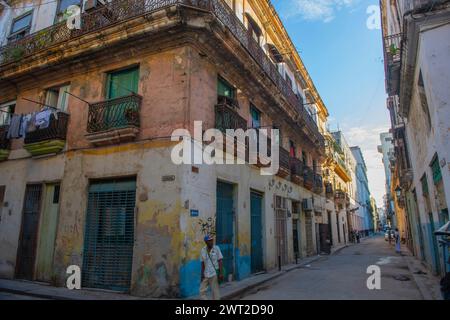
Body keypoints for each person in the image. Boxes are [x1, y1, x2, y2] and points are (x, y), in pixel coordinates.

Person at [200, 234, 223, 300]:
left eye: (212, 240)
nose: (211, 242)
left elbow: (220, 260)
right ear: (206, 242)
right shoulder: (203, 250)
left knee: (215, 292)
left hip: (214, 273)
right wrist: (202, 275)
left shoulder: (216, 248)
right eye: (209, 241)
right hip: (206, 273)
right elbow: (202, 263)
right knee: (202, 291)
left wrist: (221, 273)